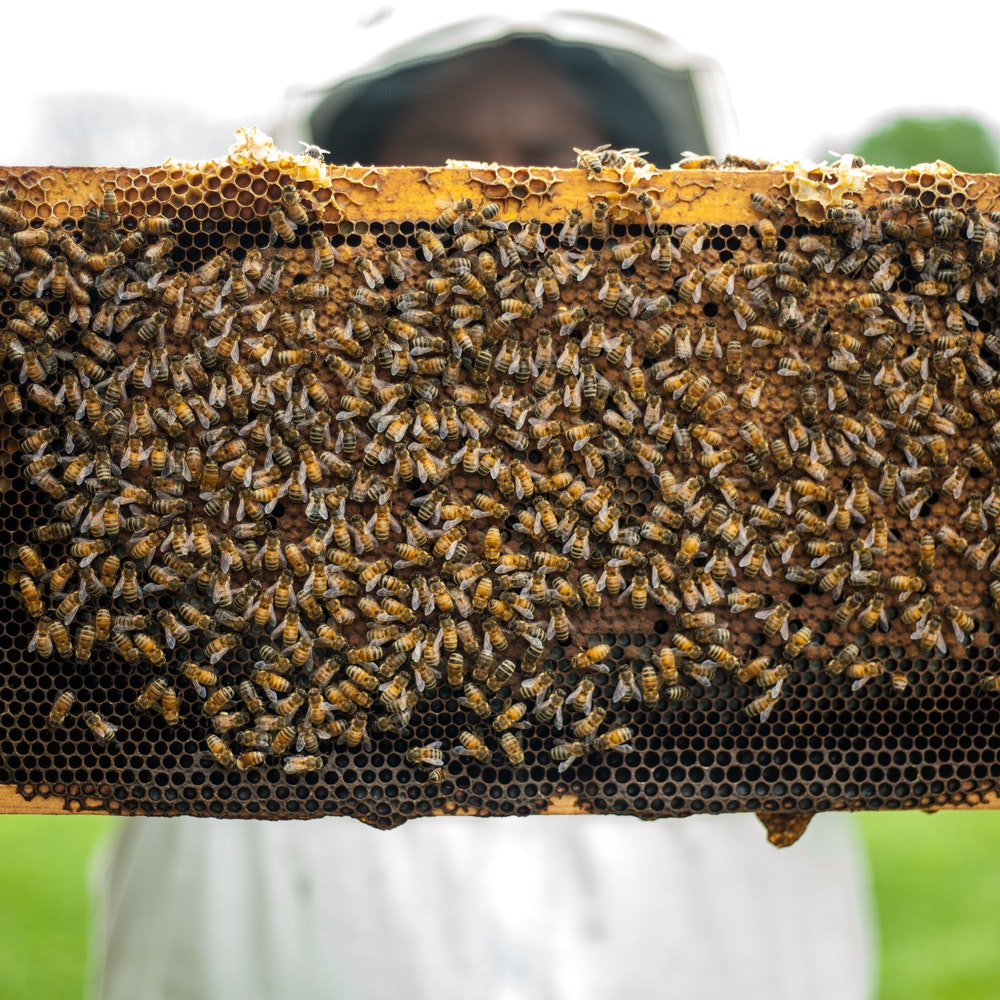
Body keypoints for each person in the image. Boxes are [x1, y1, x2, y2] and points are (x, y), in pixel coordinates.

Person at [91, 12, 875, 1000]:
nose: (503, 193)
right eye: (447, 152)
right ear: (352, 177)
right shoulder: (220, 407)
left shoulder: (765, 422)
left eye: (550, 155)